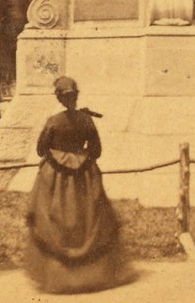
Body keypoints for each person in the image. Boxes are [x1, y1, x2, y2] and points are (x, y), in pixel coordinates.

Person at [25, 76, 133, 294]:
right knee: (89, 218)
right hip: (85, 176)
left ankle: (59, 275)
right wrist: (80, 158)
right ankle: (91, 274)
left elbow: (40, 150)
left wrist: (58, 155)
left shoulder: (53, 121)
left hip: (55, 176)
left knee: (53, 217)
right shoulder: (87, 119)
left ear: (59, 97)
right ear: (76, 96)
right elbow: (97, 151)